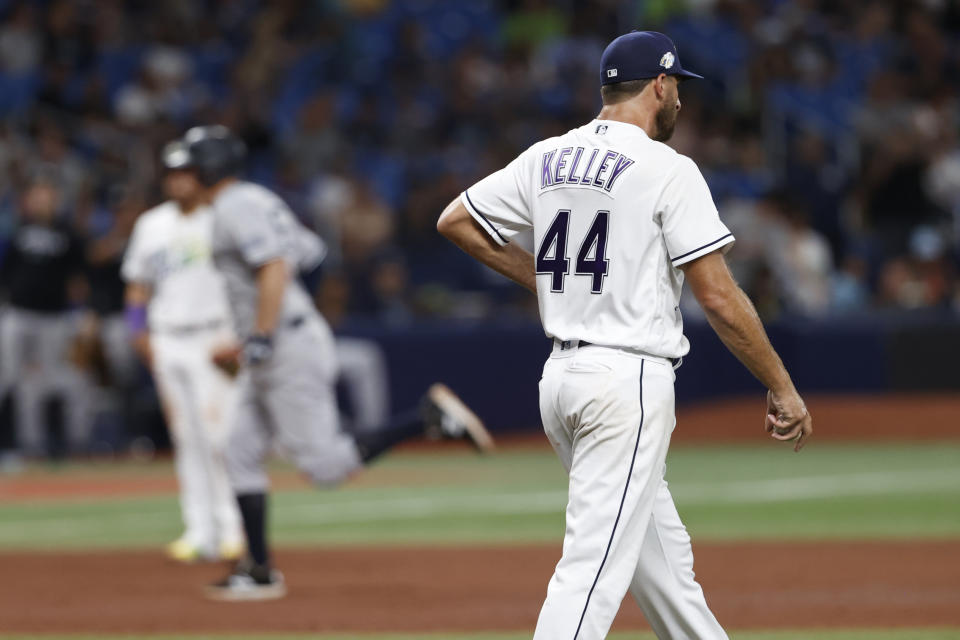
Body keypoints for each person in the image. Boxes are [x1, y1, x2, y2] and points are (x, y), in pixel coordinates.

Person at [437, 31, 813, 640]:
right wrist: (782, 385)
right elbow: (717, 295)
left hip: (561, 380)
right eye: (678, 89)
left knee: (665, 572)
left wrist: (545, 283)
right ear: (660, 85)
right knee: (589, 575)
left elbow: (457, 221)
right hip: (625, 381)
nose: (681, 104)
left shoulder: (548, 155)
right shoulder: (667, 167)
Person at [170, 125, 493, 601]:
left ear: (208, 168)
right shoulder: (256, 201)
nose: (178, 177)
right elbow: (309, 254)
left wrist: (259, 335)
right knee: (239, 450)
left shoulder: (236, 207)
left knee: (324, 467)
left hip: (282, 344)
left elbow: (274, 265)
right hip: (283, 336)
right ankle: (258, 570)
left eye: (187, 167)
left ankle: (427, 419)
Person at [121, 142, 245, 563]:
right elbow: (137, 285)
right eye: (171, 173)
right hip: (168, 338)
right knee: (186, 438)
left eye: (186, 172)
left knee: (221, 437)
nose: (178, 180)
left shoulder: (221, 219)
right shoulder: (151, 225)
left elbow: (246, 280)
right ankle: (199, 532)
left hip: (215, 339)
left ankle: (234, 528)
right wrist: (138, 333)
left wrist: (242, 337)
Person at [0, 178, 87, 460]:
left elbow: (79, 280)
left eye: (48, 196)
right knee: (6, 375)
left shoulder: (68, 234)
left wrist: (82, 315)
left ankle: (34, 446)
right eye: (38, 196)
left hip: (54, 317)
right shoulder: (17, 229)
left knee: (41, 383)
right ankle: (14, 444)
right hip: (18, 313)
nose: (43, 201)